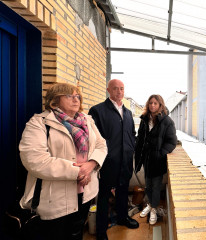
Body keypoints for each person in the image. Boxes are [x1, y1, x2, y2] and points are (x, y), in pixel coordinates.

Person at [19, 83, 107, 240]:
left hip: (85, 192)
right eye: (69, 96)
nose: (75, 99)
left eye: (77, 96)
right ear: (54, 100)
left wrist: (92, 164)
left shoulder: (87, 120)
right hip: (55, 198)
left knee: (77, 232)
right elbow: (35, 160)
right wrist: (79, 171)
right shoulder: (39, 122)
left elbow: (101, 145)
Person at [88, 79, 138, 240]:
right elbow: (94, 138)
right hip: (107, 162)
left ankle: (123, 218)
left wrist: (131, 148)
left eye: (122, 88)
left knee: (123, 191)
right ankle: (101, 230)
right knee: (103, 195)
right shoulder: (97, 111)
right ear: (108, 90)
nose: (119, 91)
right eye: (115, 88)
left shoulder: (128, 112)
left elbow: (131, 134)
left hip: (125, 161)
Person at [135, 94, 177, 225]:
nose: (152, 105)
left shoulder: (166, 121)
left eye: (155, 103)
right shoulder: (144, 120)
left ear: (160, 105)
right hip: (147, 159)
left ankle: (154, 209)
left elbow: (172, 142)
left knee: (156, 186)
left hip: (158, 161)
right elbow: (140, 138)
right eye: (150, 103)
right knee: (148, 185)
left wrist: (161, 153)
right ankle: (150, 205)